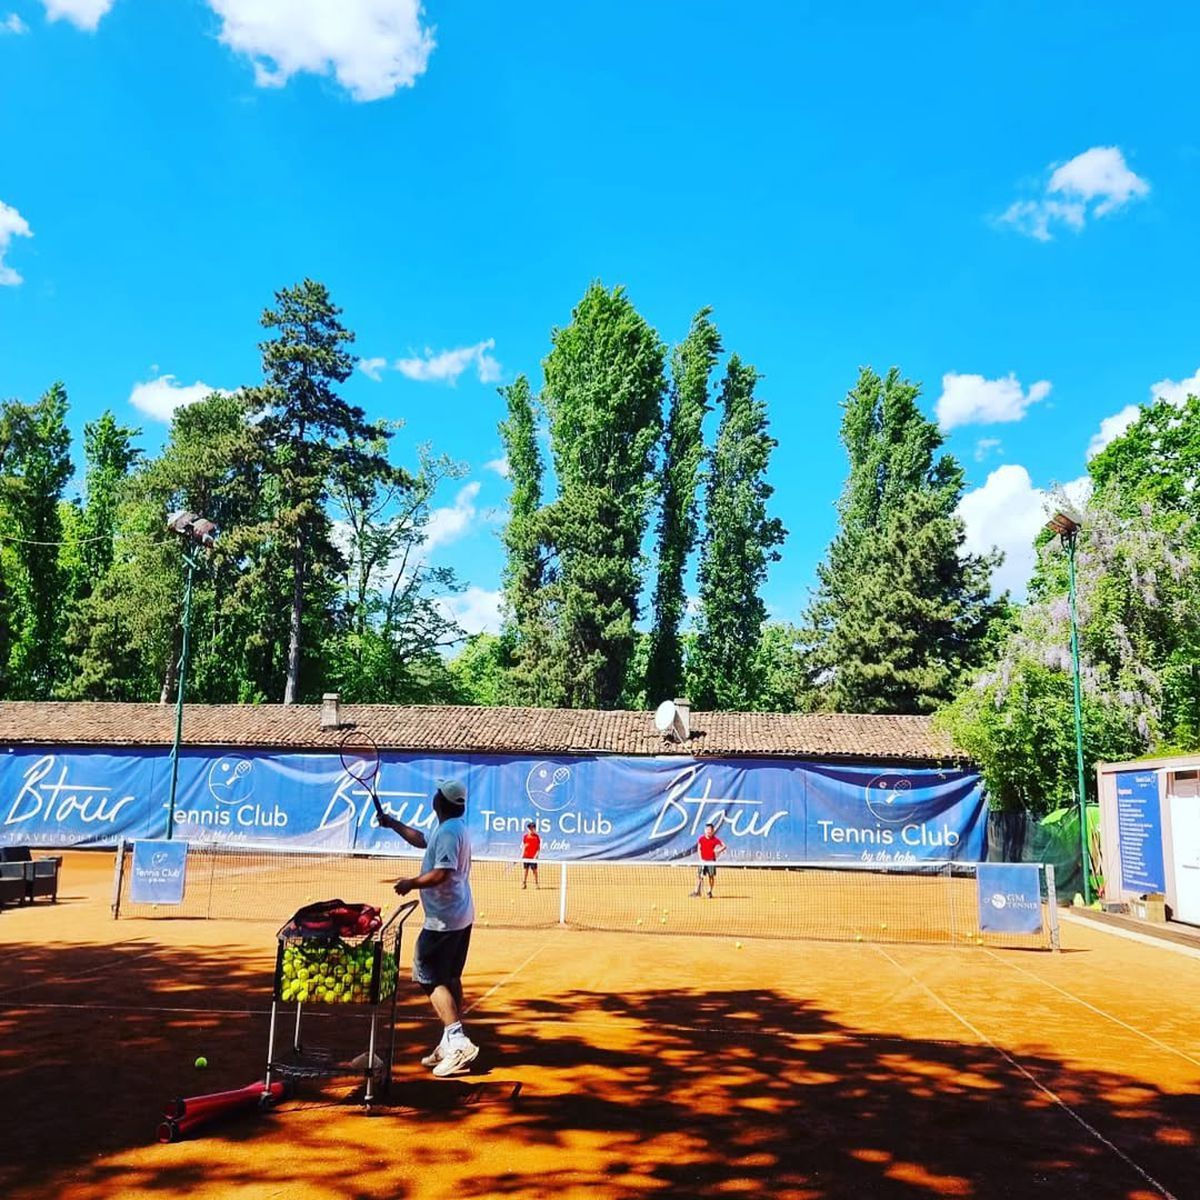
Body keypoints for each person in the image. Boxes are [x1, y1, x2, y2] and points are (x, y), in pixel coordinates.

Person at [372, 778, 478, 1077]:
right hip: (460, 915)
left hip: (443, 920)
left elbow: (442, 873)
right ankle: (449, 1041)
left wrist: (411, 883)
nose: (433, 797)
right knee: (450, 976)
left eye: (436, 794)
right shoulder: (451, 829)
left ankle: (457, 1039)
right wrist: (392, 823)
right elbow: (421, 839)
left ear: (441, 802)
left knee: (426, 975)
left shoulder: (448, 832)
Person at [691, 821, 725, 898]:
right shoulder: (701, 839)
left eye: (710, 830)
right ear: (705, 830)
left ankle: (709, 892)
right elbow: (699, 849)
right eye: (707, 830)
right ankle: (697, 892)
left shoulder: (715, 839)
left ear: (713, 831)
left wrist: (718, 851)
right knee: (699, 876)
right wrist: (700, 859)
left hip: (711, 861)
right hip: (703, 861)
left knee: (711, 876)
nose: (708, 831)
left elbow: (724, 846)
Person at [520, 820, 541, 889]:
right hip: (526, 857)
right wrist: (522, 855)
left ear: (534, 829)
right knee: (525, 870)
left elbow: (538, 848)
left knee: (534, 871)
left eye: (532, 828)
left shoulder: (537, 837)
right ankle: (524, 883)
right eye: (530, 828)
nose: (531, 829)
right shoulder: (525, 836)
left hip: (533, 858)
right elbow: (524, 846)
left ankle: (536, 884)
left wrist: (536, 856)